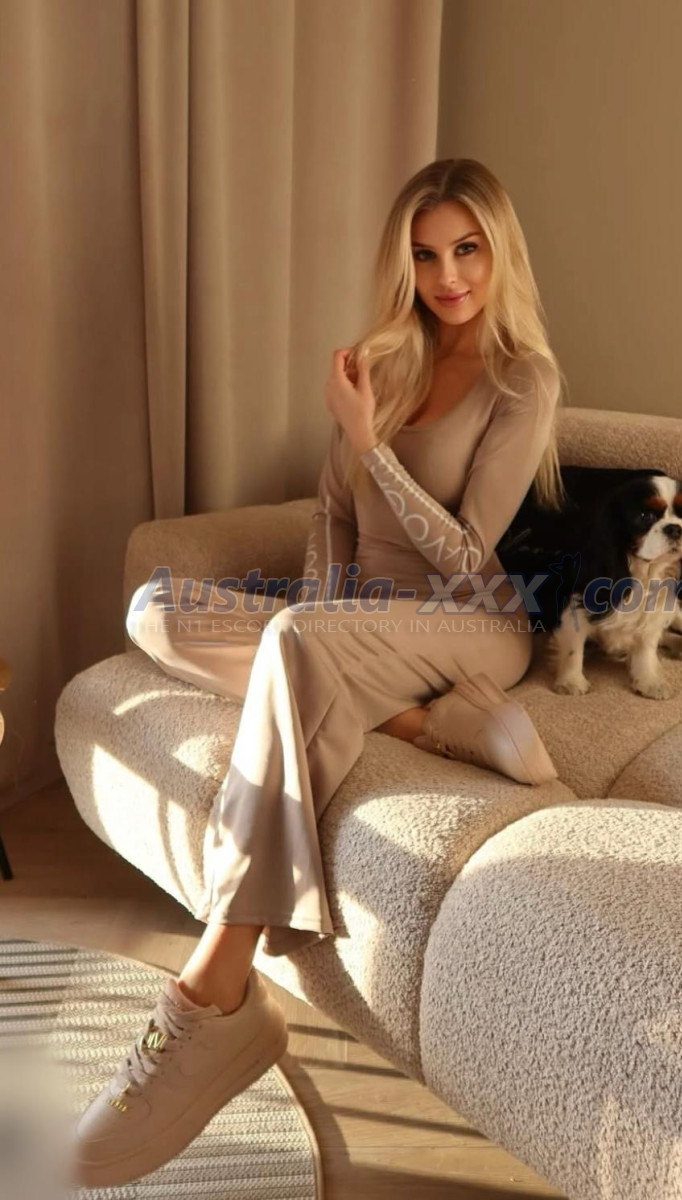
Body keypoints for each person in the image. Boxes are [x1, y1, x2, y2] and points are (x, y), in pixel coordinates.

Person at [70, 157, 569, 1188]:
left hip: (473, 623)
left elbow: (468, 557)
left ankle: (214, 988)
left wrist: (368, 444)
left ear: (499, 251)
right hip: (359, 628)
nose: (448, 276)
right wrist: (320, 609)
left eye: (467, 249)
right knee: (153, 609)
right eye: (425, 255)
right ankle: (423, 724)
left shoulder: (525, 378)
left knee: (301, 641)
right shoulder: (378, 364)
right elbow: (331, 526)